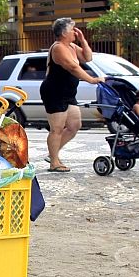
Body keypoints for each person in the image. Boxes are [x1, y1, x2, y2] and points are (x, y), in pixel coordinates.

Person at [39, 17, 105, 172]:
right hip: (55, 92)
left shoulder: (72, 47)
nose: (75, 32)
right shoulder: (58, 48)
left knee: (74, 125)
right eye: (72, 30)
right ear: (64, 33)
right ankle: (54, 162)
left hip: (68, 93)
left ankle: (52, 154)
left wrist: (83, 40)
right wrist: (92, 80)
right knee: (57, 128)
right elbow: (72, 67)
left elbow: (88, 58)